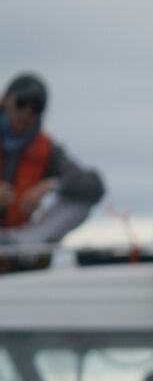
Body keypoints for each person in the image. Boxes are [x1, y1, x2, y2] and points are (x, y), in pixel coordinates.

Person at [0, 73, 106, 265]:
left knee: (80, 199)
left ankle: (23, 246)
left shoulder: (46, 150)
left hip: (18, 239)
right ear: (6, 100)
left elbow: (94, 186)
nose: (27, 113)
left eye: (36, 108)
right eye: (21, 103)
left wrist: (53, 184)